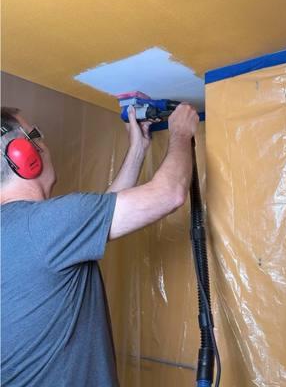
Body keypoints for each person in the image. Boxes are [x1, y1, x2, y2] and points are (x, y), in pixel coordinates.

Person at [1, 103, 199, 387]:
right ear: (23, 154)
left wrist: (137, 150)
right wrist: (180, 133)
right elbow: (169, 195)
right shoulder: (46, 223)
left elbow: (98, 219)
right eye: (36, 134)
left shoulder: (30, 228)